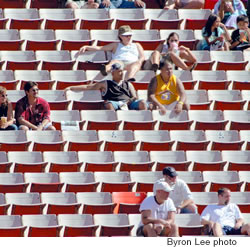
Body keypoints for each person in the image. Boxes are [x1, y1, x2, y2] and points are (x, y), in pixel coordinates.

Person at [65, 63, 147, 111]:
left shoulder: (128, 84)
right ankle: (113, 123)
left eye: (122, 71)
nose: (121, 73)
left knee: (142, 102)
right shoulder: (106, 83)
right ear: (113, 73)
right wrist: (71, 87)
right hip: (114, 103)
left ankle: (145, 124)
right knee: (109, 104)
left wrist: (127, 102)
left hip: (127, 103)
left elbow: (134, 97)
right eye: (119, 72)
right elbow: (88, 87)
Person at [77, 25, 144, 81]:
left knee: (137, 64)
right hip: (119, 63)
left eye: (130, 35)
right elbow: (101, 48)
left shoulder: (137, 45)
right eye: (126, 36)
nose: (129, 37)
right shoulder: (115, 45)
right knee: (114, 62)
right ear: (120, 36)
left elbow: (142, 57)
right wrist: (86, 47)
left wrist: (140, 62)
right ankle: (106, 69)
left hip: (132, 63)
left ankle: (129, 78)